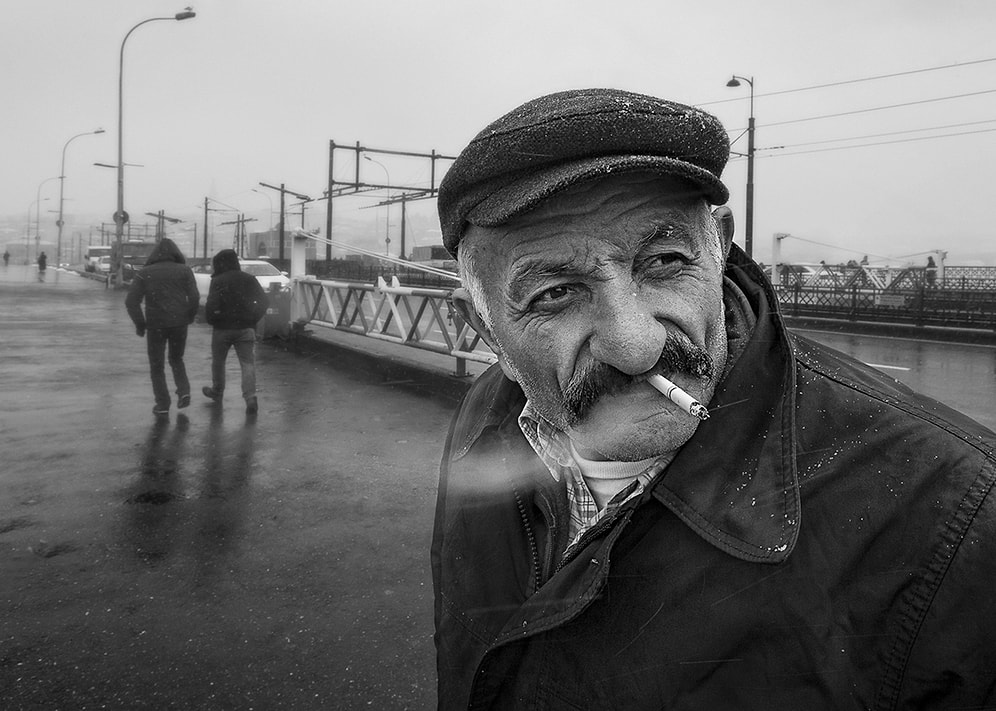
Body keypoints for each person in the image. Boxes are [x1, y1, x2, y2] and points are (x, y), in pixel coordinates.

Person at [431, 89, 996, 709]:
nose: (637, 347)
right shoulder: (485, 415)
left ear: (719, 247)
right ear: (487, 333)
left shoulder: (956, 513)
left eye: (666, 261)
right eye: (555, 294)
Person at [125, 238, 199, 416]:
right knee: (176, 359)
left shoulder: (145, 273)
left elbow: (131, 302)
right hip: (179, 324)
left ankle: (163, 403)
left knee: (157, 365)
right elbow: (195, 297)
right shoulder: (185, 271)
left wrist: (141, 325)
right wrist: (189, 316)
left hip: (156, 325)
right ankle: (184, 391)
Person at [200, 249, 268, 414]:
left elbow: (212, 304)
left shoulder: (218, 280)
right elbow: (264, 300)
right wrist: (253, 318)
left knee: (218, 362)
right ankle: (250, 398)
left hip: (222, 329)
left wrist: (212, 319)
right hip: (245, 328)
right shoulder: (249, 279)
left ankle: (217, 392)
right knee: (247, 364)